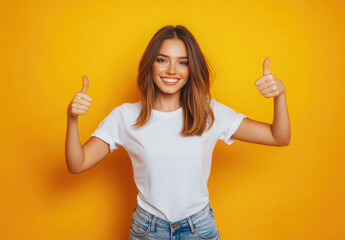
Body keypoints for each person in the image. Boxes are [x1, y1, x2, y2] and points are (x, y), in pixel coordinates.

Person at [65, 25, 290, 240]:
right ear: (150, 64)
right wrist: (72, 119)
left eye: (182, 62)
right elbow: (78, 164)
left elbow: (278, 137)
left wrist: (280, 95)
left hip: (199, 228)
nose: (171, 70)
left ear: (191, 69)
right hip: (147, 230)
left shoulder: (209, 112)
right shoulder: (125, 116)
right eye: (162, 60)